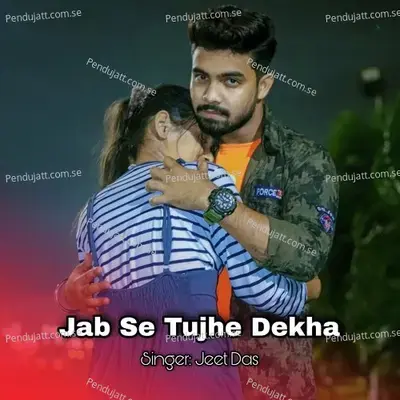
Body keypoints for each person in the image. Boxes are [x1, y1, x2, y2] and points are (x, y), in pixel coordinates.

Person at [55, 84, 321, 400]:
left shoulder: (91, 210)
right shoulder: (202, 185)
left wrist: (64, 297)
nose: (207, 155)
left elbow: (85, 297)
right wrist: (306, 290)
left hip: (111, 373)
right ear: (162, 125)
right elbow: (256, 288)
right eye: (202, 140)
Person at [145, 5, 339, 400]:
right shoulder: (169, 149)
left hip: (269, 383)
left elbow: (307, 256)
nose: (210, 95)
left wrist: (210, 200)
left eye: (231, 81)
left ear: (263, 85)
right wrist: (70, 294)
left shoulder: (303, 160)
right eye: (201, 77)